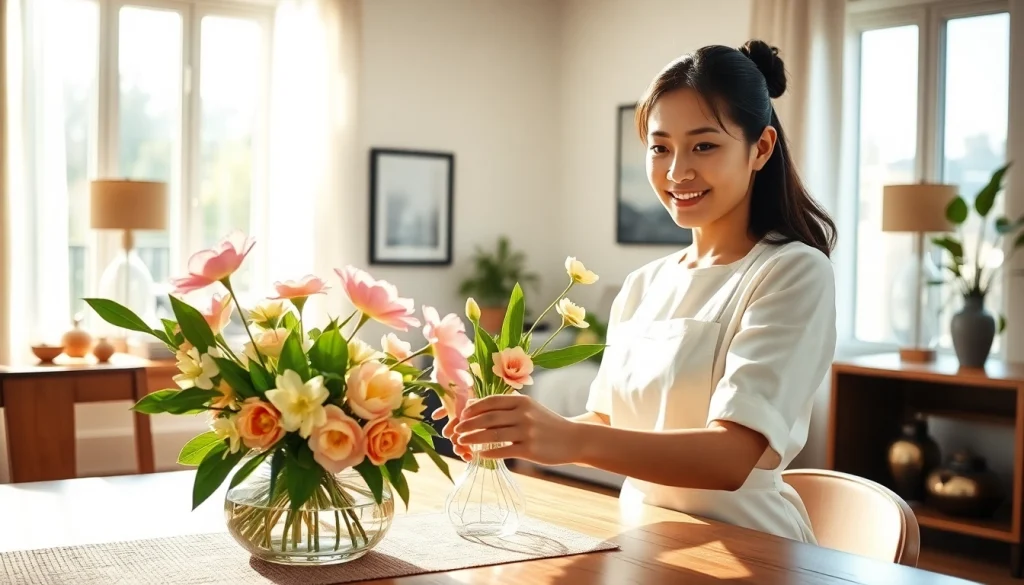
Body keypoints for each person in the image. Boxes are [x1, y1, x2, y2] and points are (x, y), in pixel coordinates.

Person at [438, 39, 838, 544]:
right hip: (640, 541)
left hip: (750, 548)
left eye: (705, 145)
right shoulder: (644, 284)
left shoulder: (792, 271)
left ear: (760, 149)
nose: (677, 172)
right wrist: (513, 428)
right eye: (660, 147)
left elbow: (733, 456)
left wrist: (569, 437)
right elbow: (608, 418)